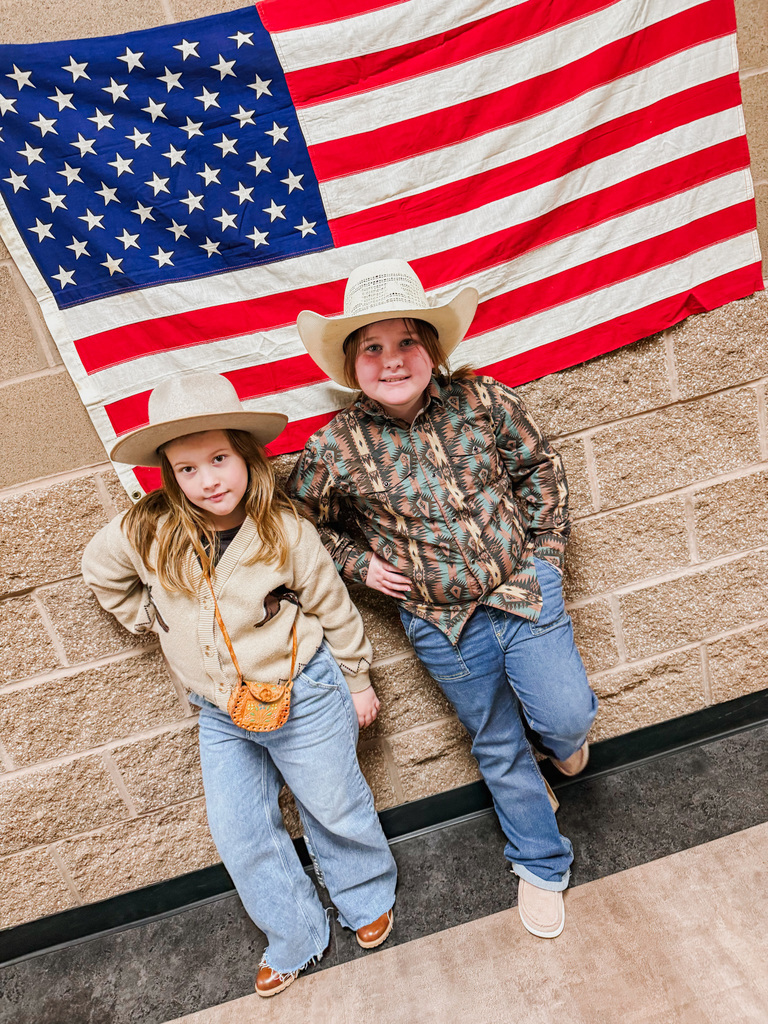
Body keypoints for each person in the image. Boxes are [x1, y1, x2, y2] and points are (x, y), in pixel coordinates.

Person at [288, 259, 598, 940]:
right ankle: (542, 863)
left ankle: (560, 747)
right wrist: (358, 562)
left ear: (432, 349)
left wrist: (546, 558)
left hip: (521, 589)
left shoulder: (484, 400)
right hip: (441, 622)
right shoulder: (334, 447)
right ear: (351, 363)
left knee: (567, 715)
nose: (392, 360)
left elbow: (539, 469)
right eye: (372, 347)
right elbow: (301, 525)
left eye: (407, 342)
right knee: (496, 743)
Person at [81, 372, 397, 998]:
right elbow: (101, 569)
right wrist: (149, 616)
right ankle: (294, 933)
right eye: (189, 469)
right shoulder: (146, 529)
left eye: (220, 459)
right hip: (220, 710)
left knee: (332, 802)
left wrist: (357, 680)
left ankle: (364, 896)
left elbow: (333, 607)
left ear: (246, 455)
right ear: (170, 474)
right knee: (239, 828)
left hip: (303, 692)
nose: (210, 481)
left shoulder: (284, 530)